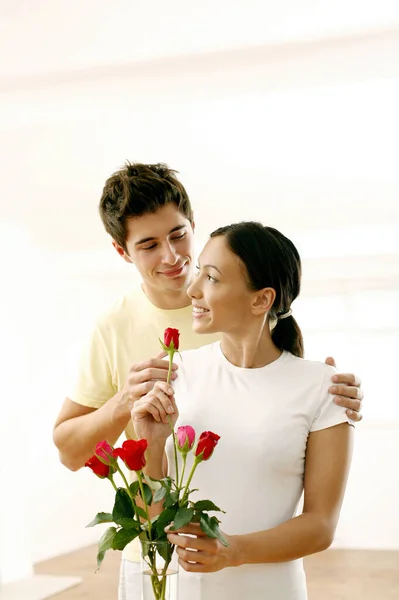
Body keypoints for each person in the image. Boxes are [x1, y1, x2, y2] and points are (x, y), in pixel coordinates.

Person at [52, 163, 363, 599]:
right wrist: (132, 411)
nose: (174, 260)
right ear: (123, 252)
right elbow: (74, 452)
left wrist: (326, 390)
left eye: (179, 236)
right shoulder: (133, 340)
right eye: (149, 244)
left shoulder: (253, 312)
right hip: (159, 567)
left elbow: (277, 397)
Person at [132, 221, 355, 599]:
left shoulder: (323, 388)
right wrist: (151, 446)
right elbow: (153, 525)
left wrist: (230, 551)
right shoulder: (176, 374)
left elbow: (320, 526)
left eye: (212, 278)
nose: (193, 288)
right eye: (199, 270)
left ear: (260, 300)